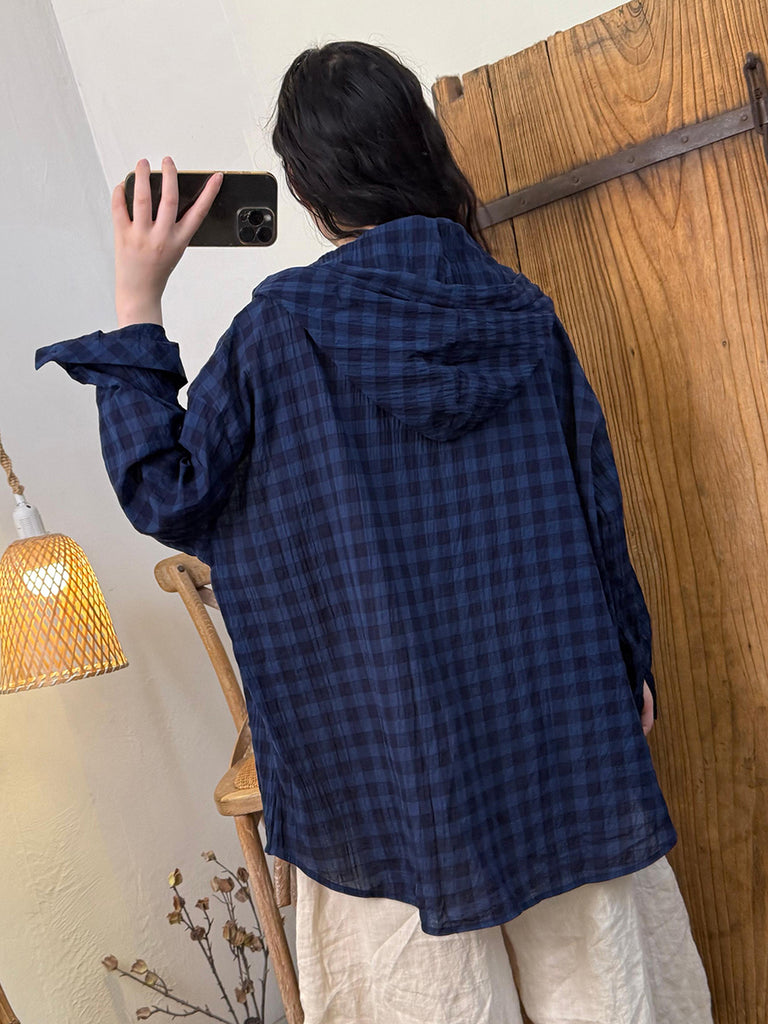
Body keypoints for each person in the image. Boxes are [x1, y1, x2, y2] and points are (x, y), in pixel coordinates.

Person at [35, 40, 713, 1024]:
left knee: (428, 998)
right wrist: (628, 663)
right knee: (609, 994)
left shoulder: (280, 333)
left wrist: (138, 300)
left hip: (387, 763)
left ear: (310, 191)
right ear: (420, 149)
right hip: (560, 729)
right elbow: (591, 501)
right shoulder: (522, 312)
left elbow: (169, 492)